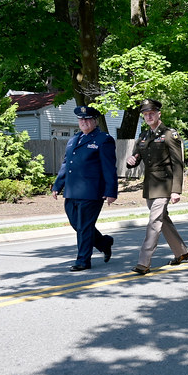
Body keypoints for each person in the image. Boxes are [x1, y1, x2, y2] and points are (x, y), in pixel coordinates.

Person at [126, 100, 188, 275]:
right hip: (150, 185)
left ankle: (143, 262)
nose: (148, 117)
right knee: (163, 220)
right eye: (145, 114)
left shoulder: (169, 134)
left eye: (151, 113)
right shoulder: (143, 136)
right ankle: (182, 252)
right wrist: (131, 161)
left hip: (165, 184)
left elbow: (178, 163)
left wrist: (176, 190)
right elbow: (136, 157)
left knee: (154, 222)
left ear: (159, 114)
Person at [52, 105, 118, 271]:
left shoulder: (103, 139)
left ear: (95, 121)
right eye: (81, 119)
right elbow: (66, 164)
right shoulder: (74, 139)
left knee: (84, 227)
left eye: (88, 119)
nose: (84, 122)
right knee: (77, 224)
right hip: (72, 191)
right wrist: (57, 185)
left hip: (92, 192)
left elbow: (109, 168)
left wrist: (111, 191)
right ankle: (104, 242)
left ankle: (83, 261)